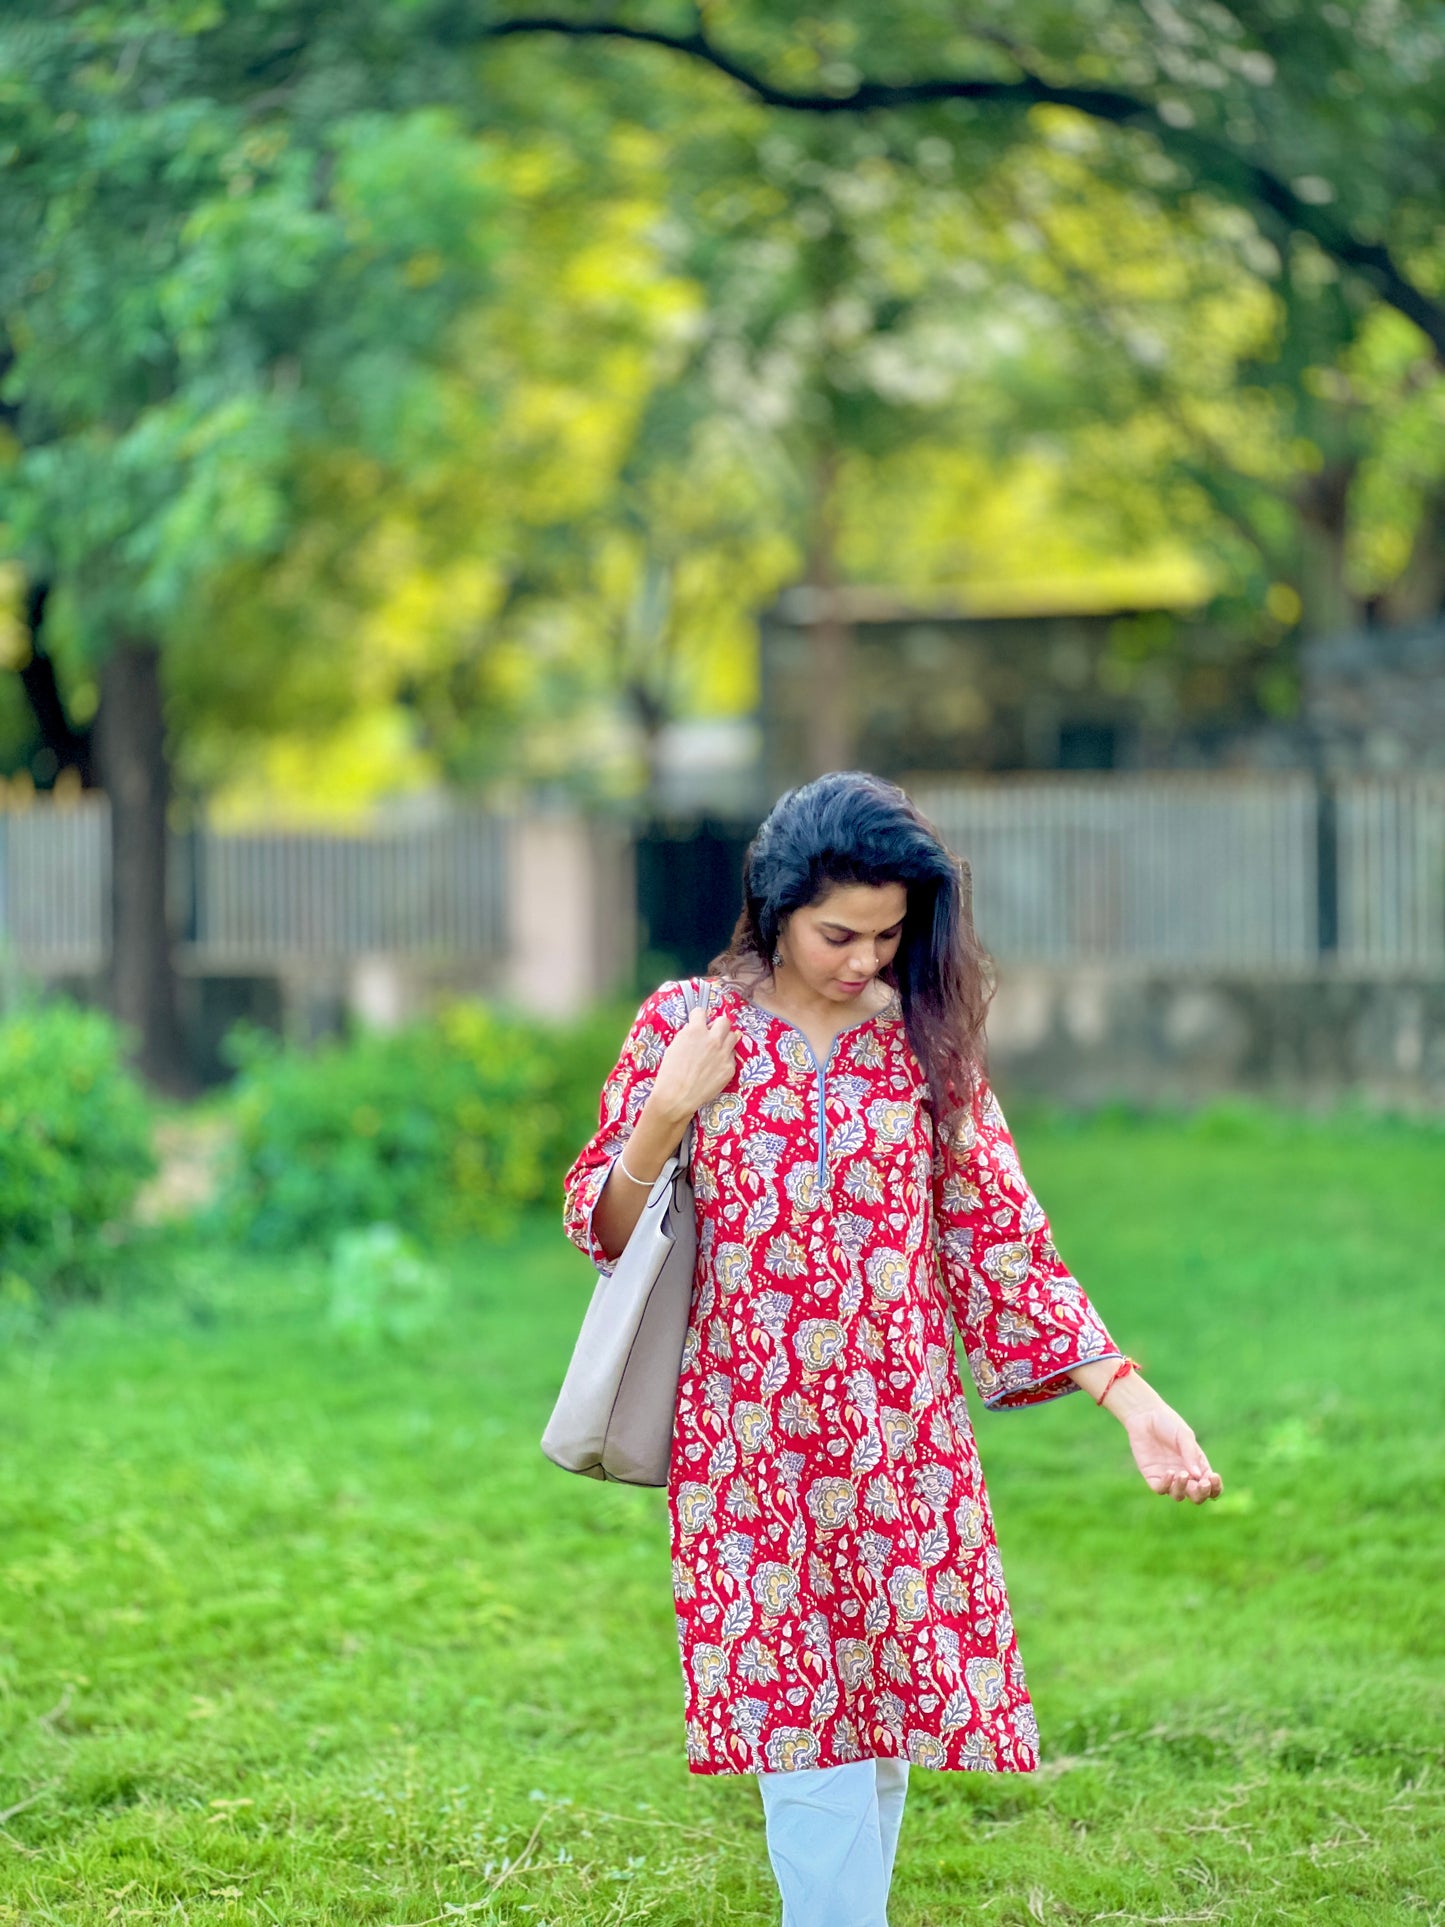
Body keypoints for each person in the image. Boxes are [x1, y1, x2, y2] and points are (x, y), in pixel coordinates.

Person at [562, 771, 1222, 1927]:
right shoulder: (685, 1026)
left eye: (886, 931)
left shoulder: (922, 1049)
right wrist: (666, 1110)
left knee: (875, 1726)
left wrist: (1131, 1400)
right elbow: (602, 1229)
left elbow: (1002, 1246)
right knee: (801, 1736)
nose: (863, 957)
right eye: (836, 933)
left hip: (897, 1450)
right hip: (751, 1454)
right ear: (776, 910)